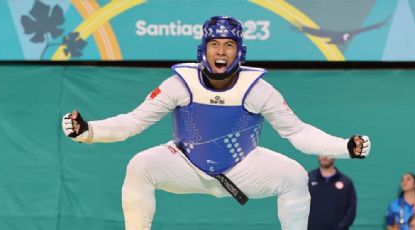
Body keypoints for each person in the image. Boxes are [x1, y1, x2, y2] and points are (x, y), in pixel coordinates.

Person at [61, 16, 371, 230]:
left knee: (294, 176)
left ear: (240, 52)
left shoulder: (259, 90)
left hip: (243, 169)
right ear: (203, 49)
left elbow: (298, 132)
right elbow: (133, 122)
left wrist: (344, 147)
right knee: (140, 166)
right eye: (214, 44)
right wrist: (88, 131)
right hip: (187, 166)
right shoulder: (178, 84)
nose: (221, 51)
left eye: (228, 45)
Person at [307, 156, 357, 230]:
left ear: (335, 155)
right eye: (321, 153)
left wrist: (341, 227)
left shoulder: (346, 182)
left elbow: (351, 209)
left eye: (328, 152)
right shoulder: (307, 179)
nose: (324, 156)